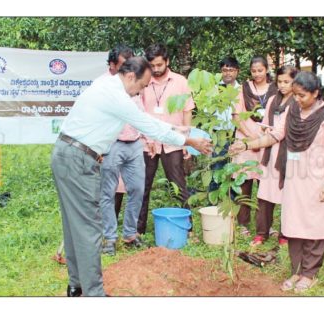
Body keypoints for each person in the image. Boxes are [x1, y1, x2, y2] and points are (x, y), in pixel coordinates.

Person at [52, 56, 212, 296]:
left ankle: (76, 287)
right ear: (129, 77)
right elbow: (148, 125)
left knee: (74, 226)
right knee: (88, 229)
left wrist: (180, 129)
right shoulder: (116, 96)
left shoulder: (106, 86)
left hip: (67, 154)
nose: (143, 90)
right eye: (143, 85)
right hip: (78, 160)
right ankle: (93, 295)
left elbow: (147, 121)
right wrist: (189, 141)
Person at [230, 71, 324, 293]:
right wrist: (246, 145)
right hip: (294, 177)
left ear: (316, 93)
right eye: (295, 95)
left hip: (320, 177)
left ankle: (310, 273)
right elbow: (274, 136)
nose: (297, 99)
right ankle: (297, 270)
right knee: (294, 222)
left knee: (316, 224)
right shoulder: (292, 110)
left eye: (302, 96)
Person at [138, 43, 195, 236]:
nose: (155, 69)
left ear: (167, 61)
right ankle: (138, 230)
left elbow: (187, 110)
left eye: (159, 65)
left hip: (174, 142)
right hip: (149, 143)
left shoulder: (180, 81)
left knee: (179, 185)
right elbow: (139, 112)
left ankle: (187, 227)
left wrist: (186, 140)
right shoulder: (143, 82)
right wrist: (147, 137)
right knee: (142, 185)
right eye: (152, 66)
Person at [97, 45, 144, 255]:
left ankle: (130, 234)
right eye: (123, 63)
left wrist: (147, 137)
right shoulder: (102, 85)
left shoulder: (134, 80)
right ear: (112, 64)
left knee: (137, 189)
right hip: (111, 143)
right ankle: (109, 238)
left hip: (134, 142)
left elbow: (141, 113)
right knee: (107, 192)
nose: (128, 67)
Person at [250, 65, 298, 246]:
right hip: (269, 153)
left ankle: (286, 233)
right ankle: (262, 232)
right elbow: (265, 123)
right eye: (280, 82)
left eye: (287, 82)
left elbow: (281, 132)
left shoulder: (297, 102)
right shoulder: (272, 99)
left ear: (295, 82)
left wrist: (267, 135)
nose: (283, 85)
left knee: (287, 195)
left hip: (286, 153)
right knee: (264, 193)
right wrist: (263, 129)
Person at [233, 56, 278, 241]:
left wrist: (264, 137)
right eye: (254, 71)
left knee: (265, 184)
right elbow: (236, 116)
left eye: (260, 70)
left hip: (268, 141)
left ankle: (266, 224)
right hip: (245, 139)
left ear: (266, 69)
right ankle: (242, 223)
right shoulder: (242, 89)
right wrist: (249, 136)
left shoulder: (276, 88)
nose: (257, 74)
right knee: (244, 182)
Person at [208, 56, 242, 193]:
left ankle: (233, 203)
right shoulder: (214, 89)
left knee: (235, 171)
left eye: (231, 70)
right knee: (217, 169)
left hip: (237, 135)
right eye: (225, 70)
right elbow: (207, 112)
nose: (228, 73)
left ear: (237, 71)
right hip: (219, 135)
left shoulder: (242, 90)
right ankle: (212, 206)